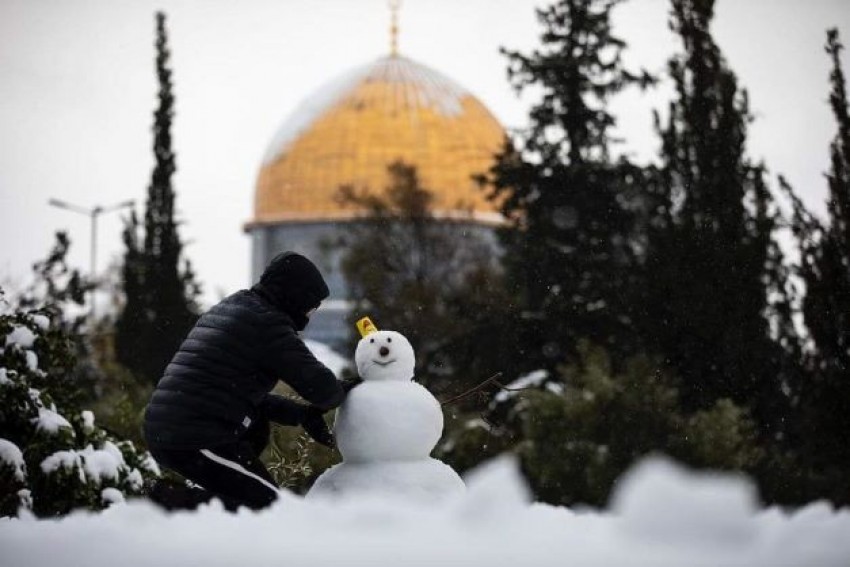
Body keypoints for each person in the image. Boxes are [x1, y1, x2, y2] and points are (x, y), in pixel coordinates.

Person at [143, 251, 357, 511]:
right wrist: (347, 387)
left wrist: (300, 414)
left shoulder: (236, 306)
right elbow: (323, 390)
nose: (311, 313)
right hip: (194, 437)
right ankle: (164, 501)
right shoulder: (269, 325)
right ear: (296, 297)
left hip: (173, 427)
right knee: (267, 507)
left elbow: (234, 391)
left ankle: (196, 523)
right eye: (312, 304)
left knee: (251, 472)